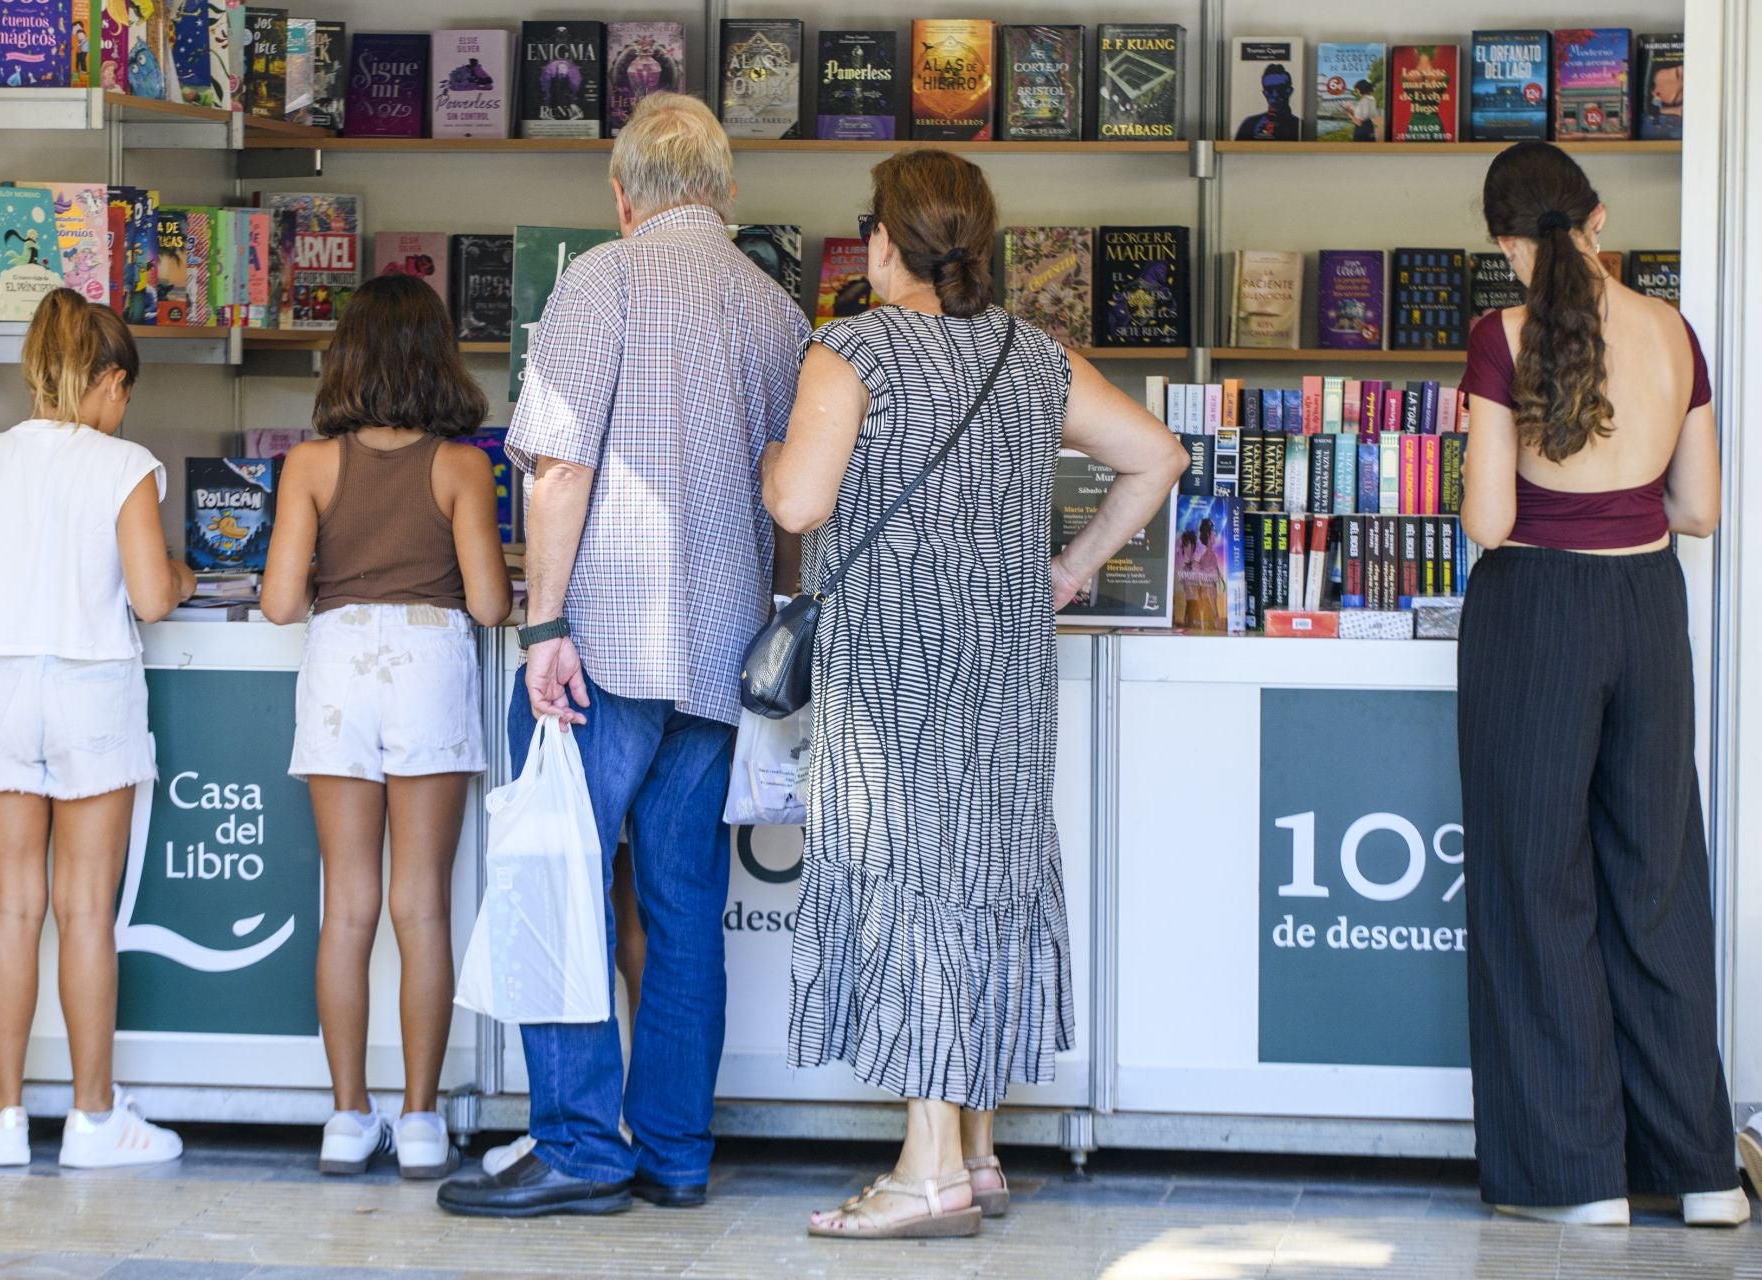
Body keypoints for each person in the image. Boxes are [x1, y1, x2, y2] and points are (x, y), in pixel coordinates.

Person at [763, 150, 1189, 1238]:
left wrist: (770, 454)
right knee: (989, 871)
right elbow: (1157, 454)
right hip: (1006, 659)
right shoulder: (1032, 352)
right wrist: (1073, 564)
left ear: (881, 241)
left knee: (908, 879)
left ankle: (926, 1169)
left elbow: (802, 503)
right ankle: (981, 1148)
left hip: (894, 665)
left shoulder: (849, 346)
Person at [436, 92, 811, 1219]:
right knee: (687, 904)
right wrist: (777, 604)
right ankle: (678, 1151)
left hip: (596, 648)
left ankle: (580, 1145)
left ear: (620, 192)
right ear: (727, 192)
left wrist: (544, 623)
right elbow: (792, 501)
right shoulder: (775, 309)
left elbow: (557, 469)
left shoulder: (599, 280)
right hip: (719, 658)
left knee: (561, 875)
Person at [1457, 140, 1747, 1229]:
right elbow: (1702, 508)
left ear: (1504, 244)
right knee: (1657, 879)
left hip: (1538, 611)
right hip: (1647, 612)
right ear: (1600, 216)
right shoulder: (1674, 330)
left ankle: (1578, 1178)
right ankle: (1703, 1171)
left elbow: (1488, 519)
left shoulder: (1504, 336)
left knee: (1539, 886)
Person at [0, 288, 196, 1168]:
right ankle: (93, 1119)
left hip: (0, 685)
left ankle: (0, 1120)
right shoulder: (122, 466)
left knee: (11, 906)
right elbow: (152, 597)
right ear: (108, 380)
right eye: (126, 393)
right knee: (84, 911)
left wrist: (6, 604)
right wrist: (186, 581)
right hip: (91, 693)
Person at [261, 273, 512, 1179]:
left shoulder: (310, 466)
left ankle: (343, 1116)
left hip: (339, 668)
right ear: (438, 357)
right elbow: (487, 605)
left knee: (349, 907)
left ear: (348, 357)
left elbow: (283, 602)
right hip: (429, 668)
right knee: (421, 906)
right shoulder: (461, 466)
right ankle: (417, 1121)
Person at [1234, 63, 1301, 141]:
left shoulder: (1302, 127)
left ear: (1290, 91)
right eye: (1270, 89)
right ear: (1265, 94)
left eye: (1281, 89)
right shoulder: (1249, 125)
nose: (1275, 95)